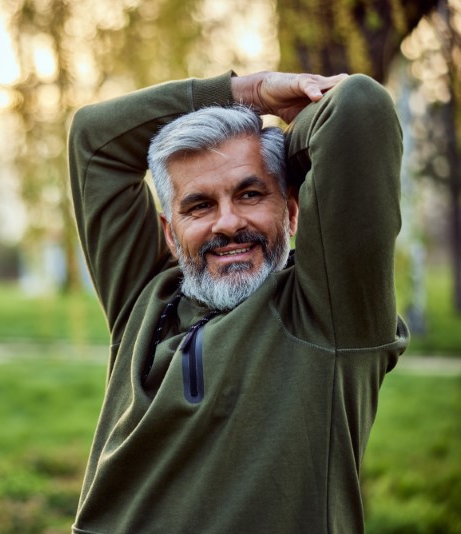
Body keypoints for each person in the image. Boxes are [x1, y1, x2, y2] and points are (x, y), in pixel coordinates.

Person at [67, 70, 409, 533]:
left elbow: (357, 108)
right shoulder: (145, 294)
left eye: (250, 194)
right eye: (200, 205)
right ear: (170, 232)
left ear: (290, 210)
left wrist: (275, 127)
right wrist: (245, 92)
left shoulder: (328, 310)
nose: (227, 223)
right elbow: (94, 140)